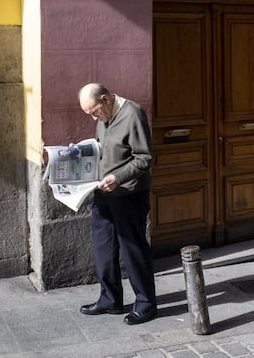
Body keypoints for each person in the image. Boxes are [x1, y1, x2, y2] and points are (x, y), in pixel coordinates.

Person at [78, 82, 157, 325]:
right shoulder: (104, 117)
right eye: (89, 114)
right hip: (104, 193)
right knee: (103, 247)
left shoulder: (133, 114)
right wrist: (79, 153)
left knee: (132, 249)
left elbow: (144, 157)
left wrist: (119, 177)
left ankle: (146, 304)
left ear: (105, 99)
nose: (94, 118)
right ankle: (109, 299)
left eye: (94, 112)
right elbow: (101, 149)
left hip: (129, 194)